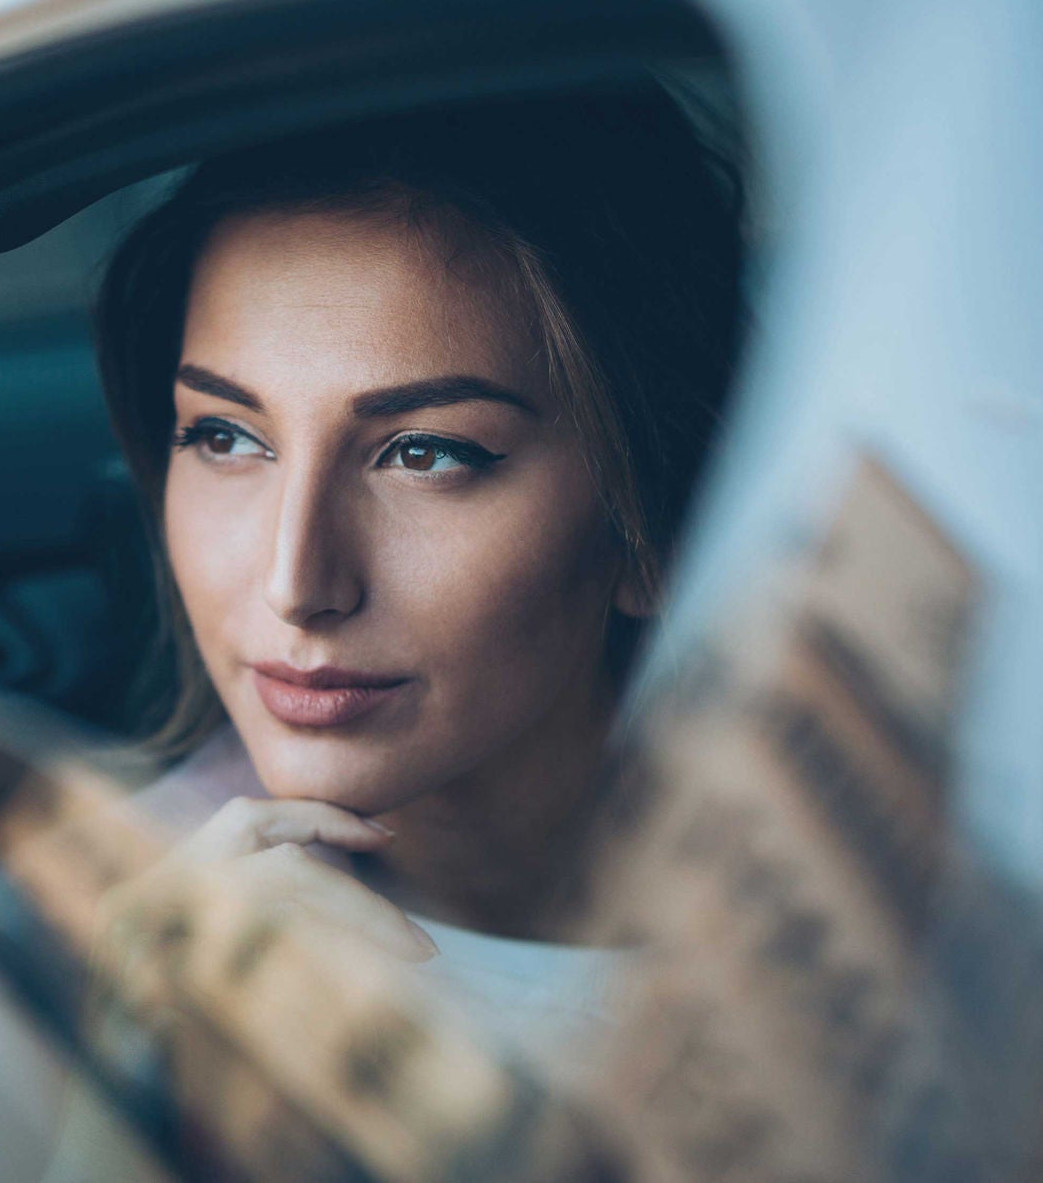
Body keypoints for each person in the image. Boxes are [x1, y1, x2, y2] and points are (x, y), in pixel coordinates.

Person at [90, 80, 746, 1064]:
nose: (294, 581)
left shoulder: (889, 940)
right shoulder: (101, 940)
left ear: (652, 524)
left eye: (425, 454)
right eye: (225, 436)